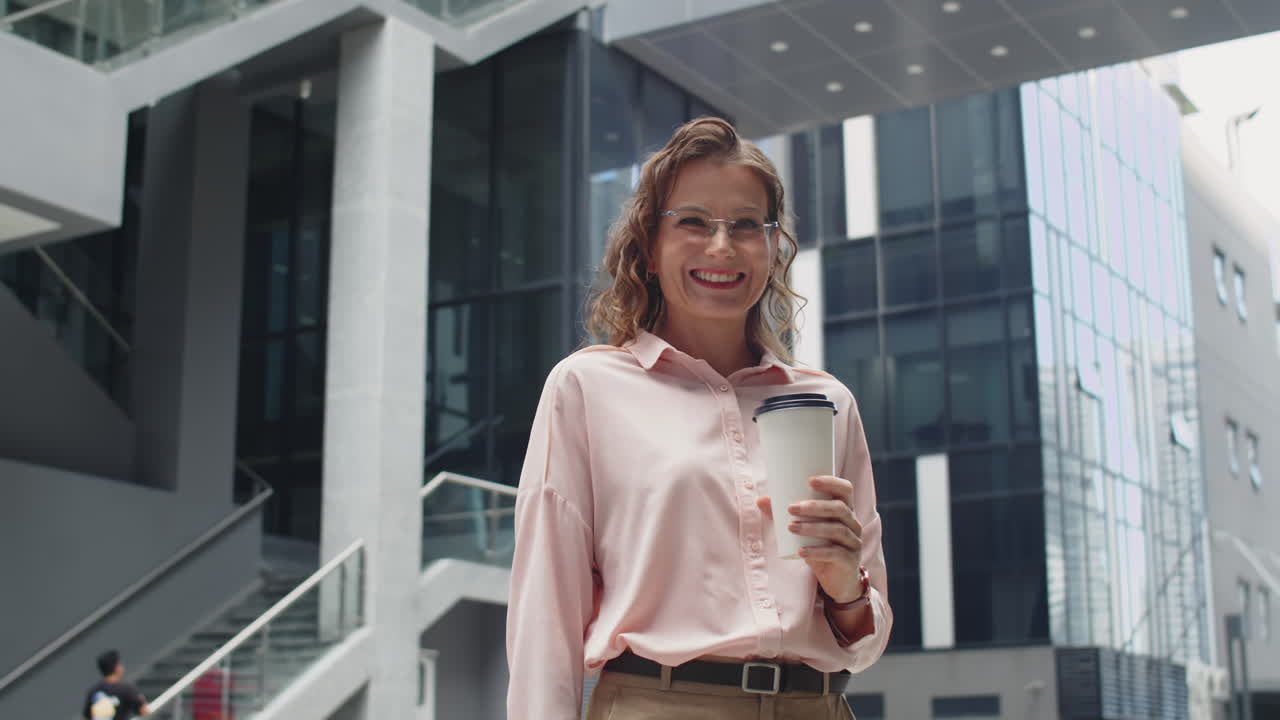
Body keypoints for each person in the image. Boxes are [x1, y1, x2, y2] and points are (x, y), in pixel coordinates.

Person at [506, 117, 892, 719]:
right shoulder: (586, 388)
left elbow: (866, 643)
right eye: (692, 222)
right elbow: (544, 618)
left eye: (746, 225)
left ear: (771, 250)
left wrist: (848, 587)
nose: (721, 246)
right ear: (648, 250)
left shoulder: (829, 403)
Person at [82, 650, 150, 719]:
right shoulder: (126, 689)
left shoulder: (93, 691)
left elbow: (86, 717)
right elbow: (144, 711)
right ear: (116, 668)